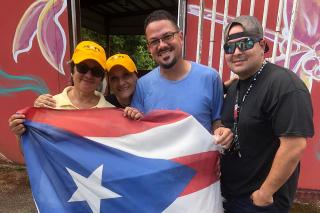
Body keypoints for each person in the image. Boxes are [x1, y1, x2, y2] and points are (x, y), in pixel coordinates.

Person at [220, 15, 314, 213]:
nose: (236, 52)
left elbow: (294, 146)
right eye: (229, 47)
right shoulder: (234, 87)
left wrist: (265, 194)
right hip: (228, 196)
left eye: (245, 43)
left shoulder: (284, 85)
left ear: (262, 45)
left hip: (260, 203)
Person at [130, 10, 233, 147]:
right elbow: (136, 132)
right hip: (157, 167)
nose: (162, 45)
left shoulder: (210, 78)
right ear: (149, 48)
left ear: (180, 36)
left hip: (199, 166)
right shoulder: (142, 85)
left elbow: (217, 123)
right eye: (154, 41)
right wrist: (131, 116)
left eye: (167, 36)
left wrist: (223, 134)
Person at [9, 41, 141, 138]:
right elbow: (31, 153)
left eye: (95, 71)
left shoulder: (112, 112)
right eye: (83, 68)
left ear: (101, 77)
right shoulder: (48, 106)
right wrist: (20, 134)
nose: (88, 75)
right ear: (72, 70)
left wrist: (135, 123)